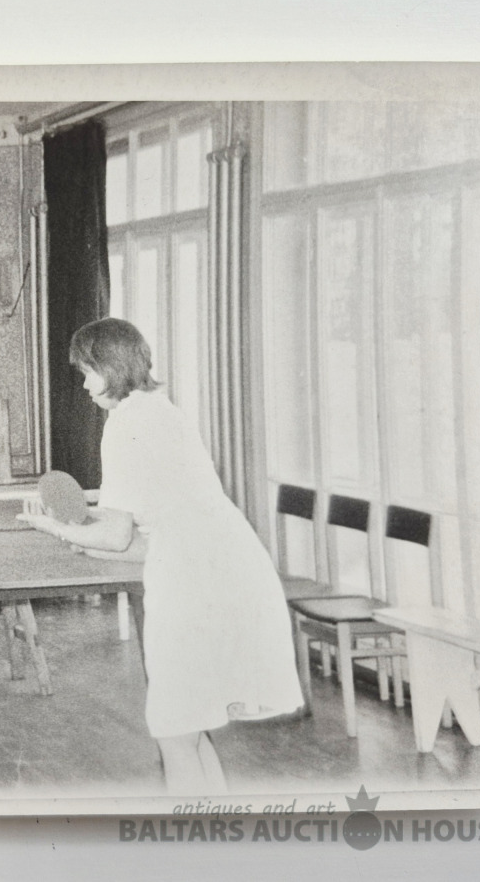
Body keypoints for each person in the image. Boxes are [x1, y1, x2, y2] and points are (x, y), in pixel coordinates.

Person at [18, 318, 304, 794]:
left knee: (175, 732)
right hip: (234, 572)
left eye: (88, 371)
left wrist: (54, 527)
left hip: (198, 586)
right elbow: (156, 539)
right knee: (189, 727)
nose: (85, 386)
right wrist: (83, 542)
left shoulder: (124, 424)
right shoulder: (163, 411)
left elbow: (116, 537)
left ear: (112, 366)